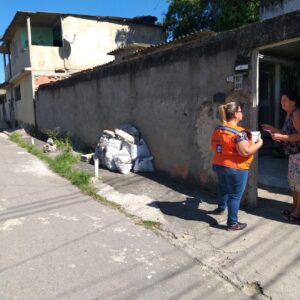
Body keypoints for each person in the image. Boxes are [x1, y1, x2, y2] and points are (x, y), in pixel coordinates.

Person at [211, 102, 263, 230]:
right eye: (240, 111)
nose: (242, 113)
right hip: (235, 168)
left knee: (223, 187)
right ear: (235, 115)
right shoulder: (239, 133)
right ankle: (232, 223)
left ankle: (221, 208)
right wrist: (259, 143)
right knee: (235, 196)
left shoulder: (218, 129)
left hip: (219, 164)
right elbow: (245, 151)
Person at [262, 90, 300, 222]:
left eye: (284, 100)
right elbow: (285, 132)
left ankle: (298, 211)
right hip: (292, 154)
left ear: (293, 101)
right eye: (281, 100)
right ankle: (295, 206)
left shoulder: (296, 114)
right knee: (293, 183)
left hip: (299, 154)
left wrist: (282, 137)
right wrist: (272, 129)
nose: (281, 103)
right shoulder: (289, 114)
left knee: (299, 184)